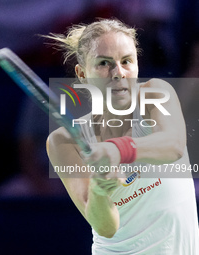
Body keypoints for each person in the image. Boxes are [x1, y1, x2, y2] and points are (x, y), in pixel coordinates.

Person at [45, 19, 199, 254]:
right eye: (104, 63)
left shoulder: (156, 94)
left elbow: (173, 145)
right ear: (82, 73)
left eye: (127, 61)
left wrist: (117, 149)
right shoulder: (63, 142)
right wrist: (99, 188)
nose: (119, 73)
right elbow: (105, 226)